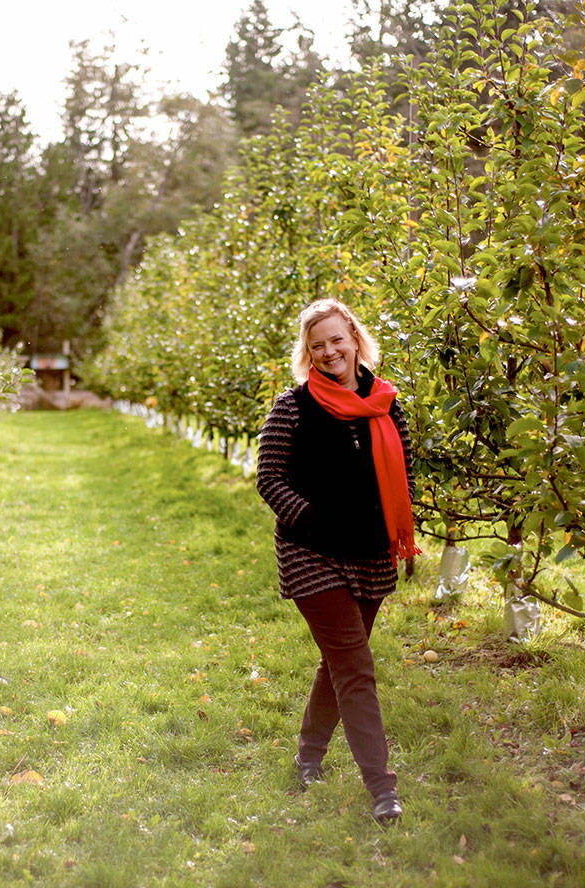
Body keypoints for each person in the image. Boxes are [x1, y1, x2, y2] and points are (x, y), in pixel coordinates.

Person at [255, 297, 419, 825]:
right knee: (355, 665)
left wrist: (395, 527)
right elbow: (269, 479)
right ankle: (382, 788)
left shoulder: (387, 404)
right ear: (308, 353)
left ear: (354, 340)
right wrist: (313, 520)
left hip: (370, 553)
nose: (329, 352)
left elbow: (405, 473)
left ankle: (308, 756)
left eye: (336, 340)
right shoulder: (293, 407)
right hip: (310, 552)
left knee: (340, 661)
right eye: (317, 345)